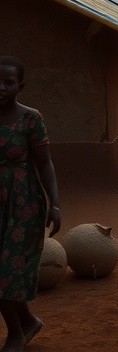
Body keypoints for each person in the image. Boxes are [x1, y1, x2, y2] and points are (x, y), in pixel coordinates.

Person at [0, 56, 61, 352]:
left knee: (7, 271)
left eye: (8, 82)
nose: (0, 87)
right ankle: (28, 321)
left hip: (22, 203)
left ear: (20, 86)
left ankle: (15, 334)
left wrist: (56, 203)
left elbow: (45, 163)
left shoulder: (30, 119)